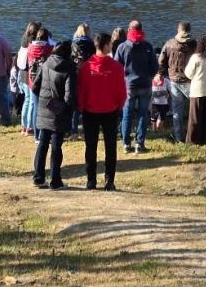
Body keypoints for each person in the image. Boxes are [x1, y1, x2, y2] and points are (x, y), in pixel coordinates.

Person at [78, 33, 126, 191]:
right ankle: (109, 181)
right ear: (105, 45)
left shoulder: (86, 67)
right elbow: (122, 92)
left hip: (90, 112)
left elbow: (81, 91)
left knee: (90, 147)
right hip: (110, 111)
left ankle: (91, 180)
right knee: (110, 147)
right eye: (110, 44)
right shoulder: (117, 67)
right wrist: (118, 106)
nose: (112, 46)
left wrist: (82, 107)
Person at [32, 39, 77, 189]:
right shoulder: (69, 68)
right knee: (56, 147)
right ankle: (55, 181)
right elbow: (69, 96)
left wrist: (45, 99)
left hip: (44, 107)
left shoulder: (45, 64)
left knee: (42, 144)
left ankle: (38, 178)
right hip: (59, 112)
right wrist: (69, 110)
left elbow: (35, 87)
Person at [114, 20, 158, 153]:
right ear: (141, 30)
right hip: (145, 84)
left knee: (127, 114)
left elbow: (116, 66)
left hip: (128, 85)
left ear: (129, 30)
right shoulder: (148, 47)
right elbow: (154, 67)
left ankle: (126, 144)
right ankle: (139, 143)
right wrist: (149, 75)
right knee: (143, 114)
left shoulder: (122, 47)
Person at [156, 22, 197, 144]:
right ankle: (193, 136)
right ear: (189, 30)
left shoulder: (169, 44)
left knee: (177, 112)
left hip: (174, 81)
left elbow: (161, 62)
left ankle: (179, 138)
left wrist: (160, 74)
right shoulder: (194, 44)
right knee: (195, 110)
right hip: (190, 81)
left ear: (178, 30)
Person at [184, 34, 206, 145]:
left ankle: (193, 141)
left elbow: (188, 74)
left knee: (195, 118)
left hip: (198, 91)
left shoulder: (196, 57)